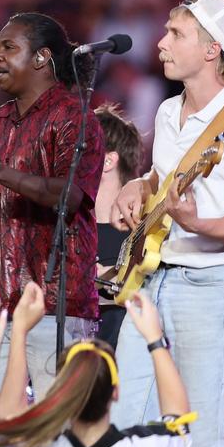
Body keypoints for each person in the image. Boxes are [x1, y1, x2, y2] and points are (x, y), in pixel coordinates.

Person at [108, 0, 224, 447]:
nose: (160, 43)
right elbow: (162, 177)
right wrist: (137, 187)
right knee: (122, 428)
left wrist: (196, 222)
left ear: (212, 50)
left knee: (200, 438)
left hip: (211, 287)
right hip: (154, 278)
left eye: (176, 34)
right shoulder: (168, 112)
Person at [0, 12, 104, 398]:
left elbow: (68, 195)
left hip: (57, 306)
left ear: (42, 58)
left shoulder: (75, 117)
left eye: (8, 47)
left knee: (53, 427)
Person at [0, 291, 192, 447]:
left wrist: (17, 334)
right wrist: (155, 338)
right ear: (115, 392)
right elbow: (179, 420)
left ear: (59, 391)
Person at [92, 103, 144, 348]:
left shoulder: (141, 231)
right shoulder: (65, 227)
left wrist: (105, 279)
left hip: (121, 367)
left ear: (108, 161)